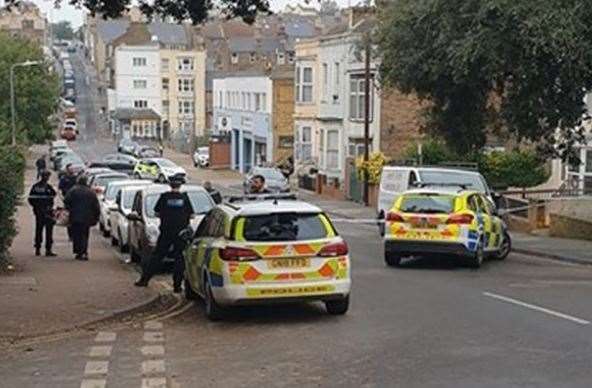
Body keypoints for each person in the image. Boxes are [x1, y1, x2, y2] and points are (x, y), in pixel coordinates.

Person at [135, 177, 194, 292]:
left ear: (170, 185)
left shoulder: (164, 197)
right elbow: (192, 215)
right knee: (179, 258)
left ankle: (145, 279)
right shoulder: (185, 198)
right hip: (180, 234)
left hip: (166, 232)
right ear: (180, 186)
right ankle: (177, 286)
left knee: (157, 256)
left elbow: (156, 212)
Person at [64, 175, 100, 261]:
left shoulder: (73, 190)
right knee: (85, 234)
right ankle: (84, 251)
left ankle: (78, 252)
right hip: (87, 217)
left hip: (75, 216)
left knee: (76, 234)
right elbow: (96, 205)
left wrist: (69, 210)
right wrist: (96, 216)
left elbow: (66, 201)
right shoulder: (90, 192)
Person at [28, 170, 57, 257]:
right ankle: (47, 249)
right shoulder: (48, 187)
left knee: (39, 230)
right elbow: (53, 195)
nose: (47, 178)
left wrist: (35, 207)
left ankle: (39, 248)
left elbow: (30, 199)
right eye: (47, 176)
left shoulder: (35, 187)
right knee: (48, 231)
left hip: (40, 212)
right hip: (46, 211)